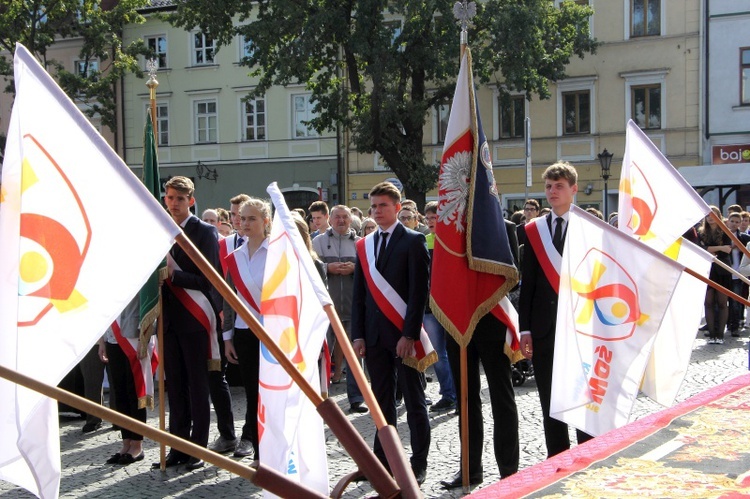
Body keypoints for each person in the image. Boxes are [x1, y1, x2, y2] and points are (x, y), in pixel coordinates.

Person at [351, 181, 431, 485]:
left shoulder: (413, 241)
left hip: (403, 338)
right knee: (381, 404)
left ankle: (418, 462)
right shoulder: (365, 245)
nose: (377, 211)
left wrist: (409, 334)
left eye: (383, 205)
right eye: (373, 206)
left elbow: (418, 292)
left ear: (397, 208)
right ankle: (383, 462)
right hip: (373, 339)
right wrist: (357, 334)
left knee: (413, 401)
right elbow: (360, 295)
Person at [518, 162, 593, 458]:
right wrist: (525, 328)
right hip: (543, 328)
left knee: (581, 396)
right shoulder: (534, 230)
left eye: (559, 186)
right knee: (550, 399)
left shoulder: (589, 226)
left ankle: (589, 454)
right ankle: (557, 458)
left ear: (573, 189)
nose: (552, 192)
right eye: (548, 186)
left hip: (580, 327)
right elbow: (530, 283)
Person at [441, 215, 521, 489]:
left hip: (492, 321)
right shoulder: (447, 231)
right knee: (465, 397)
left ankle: (508, 470)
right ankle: (469, 469)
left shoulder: (505, 228)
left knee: (501, 395)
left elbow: (515, 276)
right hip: (457, 320)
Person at [155, 176, 222, 471]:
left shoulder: (204, 231)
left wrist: (174, 275)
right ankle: (178, 446)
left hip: (194, 318)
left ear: (191, 200)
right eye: (169, 198)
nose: (174, 204)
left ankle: (198, 448)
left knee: (197, 386)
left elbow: (209, 279)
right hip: (168, 320)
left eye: (180, 199)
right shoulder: (160, 229)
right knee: (176, 387)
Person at [223, 197, 271, 460]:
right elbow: (229, 300)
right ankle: (258, 452)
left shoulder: (277, 252)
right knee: (253, 392)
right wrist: (227, 337)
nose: (246, 223)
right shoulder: (235, 257)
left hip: (273, 332)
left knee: (272, 391)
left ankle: (274, 449)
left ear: (265, 221)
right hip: (244, 332)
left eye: (252, 218)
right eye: (243, 218)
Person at [206, 195, 252, 456]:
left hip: (248, 324)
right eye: (233, 214)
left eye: (241, 215)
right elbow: (216, 282)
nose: (236, 219)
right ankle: (227, 434)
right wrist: (220, 315)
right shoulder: (223, 245)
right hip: (221, 320)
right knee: (216, 377)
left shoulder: (261, 246)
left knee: (250, 385)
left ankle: (249, 435)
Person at [312, 205, 368, 413]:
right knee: (321, 353)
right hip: (326, 309)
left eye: (345, 217)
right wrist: (328, 268)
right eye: (337, 217)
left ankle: (356, 398)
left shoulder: (361, 244)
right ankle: (319, 398)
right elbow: (311, 270)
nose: (341, 220)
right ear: (330, 218)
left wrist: (356, 269)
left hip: (354, 308)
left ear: (351, 219)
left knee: (355, 355)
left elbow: (369, 271)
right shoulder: (317, 242)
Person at [98, 295, 154, 465]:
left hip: (133, 338)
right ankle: (126, 442)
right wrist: (101, 342)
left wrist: (144, 337)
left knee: (134, 392)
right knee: (119, 392)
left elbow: (147, 303)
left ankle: (137, 445)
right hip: (112, 338)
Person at [421, 201, 456, 414]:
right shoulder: (424, 241)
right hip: (429, 307)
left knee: (455, 352)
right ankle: (448, 394)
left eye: (434, 218)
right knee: (438, 353)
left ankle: (461, 394)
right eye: (428, 218)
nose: (431, 222)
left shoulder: (453, 242)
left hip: (450, 306)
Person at [699, 206, 732, 344]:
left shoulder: (725, 231)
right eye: (707, 215)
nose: (710, 217)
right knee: (708, 302)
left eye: (713, 215)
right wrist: (719, 248)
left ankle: (720, 335)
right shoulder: (701, 232)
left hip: (722, 269)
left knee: (722, 302)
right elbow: (701, 249)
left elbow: (728, 250)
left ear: (719, 215)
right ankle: (712, 334)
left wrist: (711, 250)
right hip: (707, 269)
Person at [727, 212, 750, 337]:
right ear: (728, 221)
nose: (734, 224)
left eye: (737, 222)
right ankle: (719, 325)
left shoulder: (745, 238)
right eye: (732, 221)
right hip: (724, 272)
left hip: (738, 274)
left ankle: (734, 326)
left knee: (736, 301)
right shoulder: (722, 235)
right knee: (721, 301)